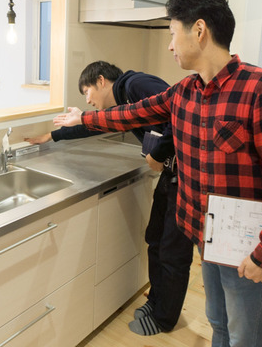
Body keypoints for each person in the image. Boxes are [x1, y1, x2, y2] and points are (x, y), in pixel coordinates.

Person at [53, 0, 262, 347]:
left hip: (250, 246)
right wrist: (82, 119)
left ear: (199, 30)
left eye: (173, 33)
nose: (170, 46)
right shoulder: (184, 91)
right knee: (219, 324)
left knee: (246, 338)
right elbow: (129, 114)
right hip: (209, 238)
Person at [25, 61, 194, 336]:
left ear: (101, 81)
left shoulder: (137, 84)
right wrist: (53, 136)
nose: (88, 101)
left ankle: (164, 318)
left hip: (186, 177)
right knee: (155, 240)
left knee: (173, 252)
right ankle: (157, 301)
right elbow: (96, 125)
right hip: (169, 173)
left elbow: (180, 116)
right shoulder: (122, 103)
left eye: (87, 92)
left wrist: (158, 153)